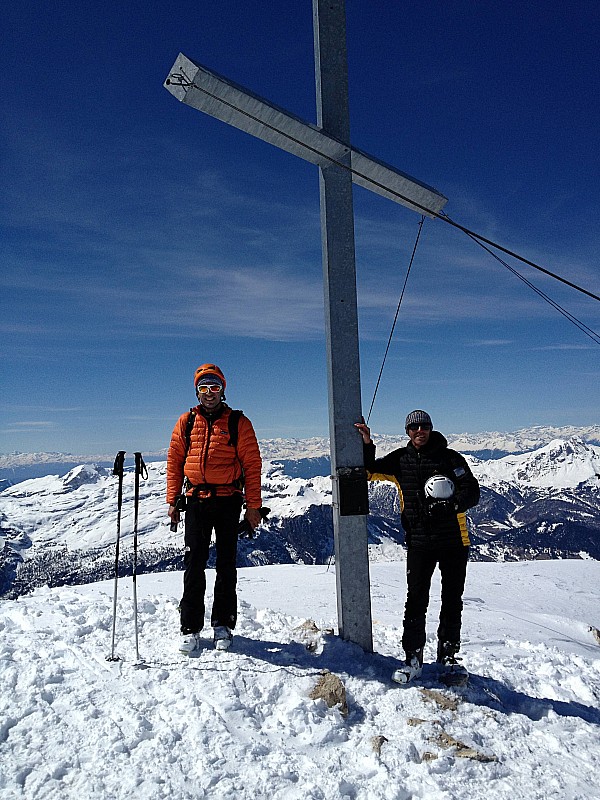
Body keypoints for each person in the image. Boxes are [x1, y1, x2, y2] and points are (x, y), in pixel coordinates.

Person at [355, 410, 480, 684]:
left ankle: (447, 656)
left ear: (431, 428)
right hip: (419, 542)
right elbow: (370, 471)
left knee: (451, 600)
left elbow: (472, 491)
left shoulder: (450, 459)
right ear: (407, 432)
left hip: (453, 541)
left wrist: (453, 504)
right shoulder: (401, 460)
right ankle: (413, 656)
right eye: (413, 427)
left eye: (423, 426)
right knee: (416, 601)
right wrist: (367, 443)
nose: (419, 431)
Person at [167, 363, 262, 653]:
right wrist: (173, 501)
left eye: (215, 387)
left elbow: (252, 465)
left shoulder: (238, 423)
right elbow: (174, 462)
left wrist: (254, 506)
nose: (209, 393)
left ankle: (223, 625)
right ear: (197, 391)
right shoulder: (186, 422)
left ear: (223, 390)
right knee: (194, 564)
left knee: (226, 564)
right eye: (204, 387)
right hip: (196, 500)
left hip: (228, 500)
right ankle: (190, 627)